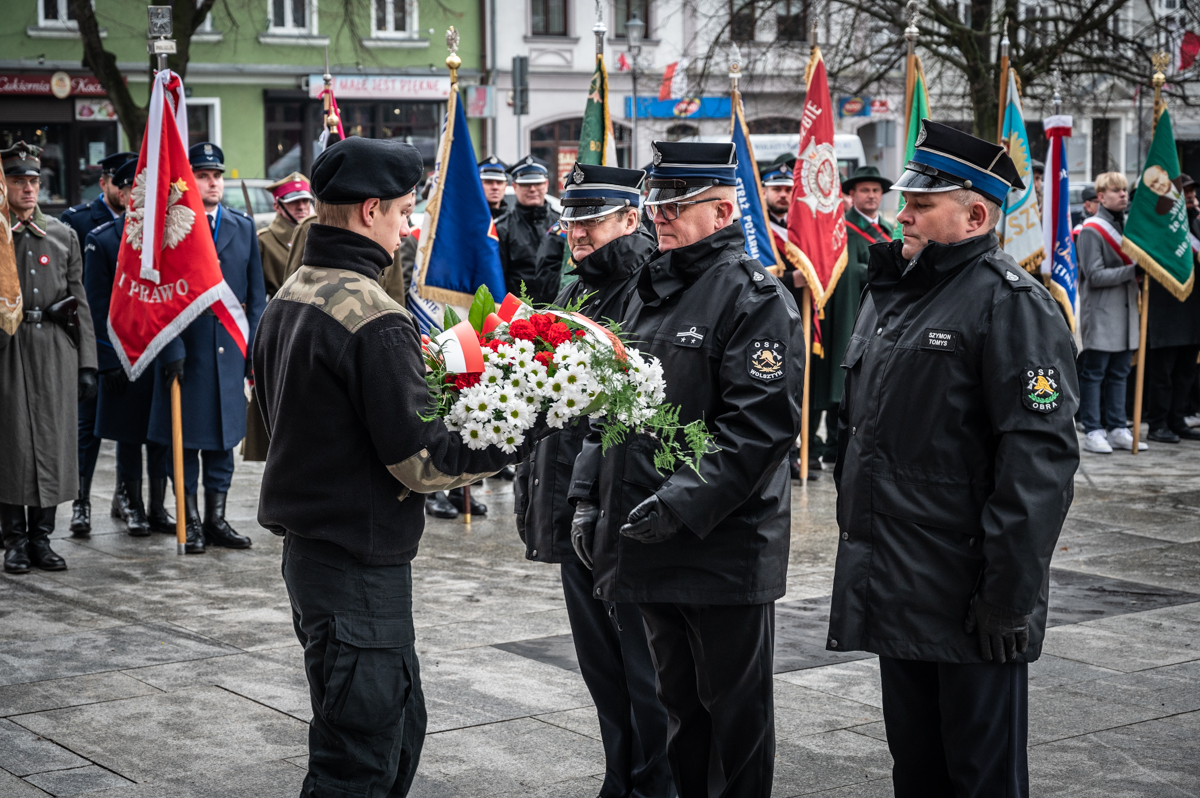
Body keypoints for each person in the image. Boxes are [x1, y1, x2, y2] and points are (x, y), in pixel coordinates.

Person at [254, 136, 535, 797]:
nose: (409, 228)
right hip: (357, 564)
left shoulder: (295, 290)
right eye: (406, 212)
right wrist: (517, 435)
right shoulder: (372, 315)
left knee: (395, 725)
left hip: (317, 553)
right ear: (371, 210)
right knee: (359, 760)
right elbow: (422, 462)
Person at [828, 120, 1080, 798]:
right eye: (905, 198)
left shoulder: (1011, 305)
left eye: (920, 202)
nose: (901, 211)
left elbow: (1039, 465)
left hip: (971, 599)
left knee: (981, 779)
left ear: (974, 214)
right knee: (917, 773)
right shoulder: (896, 296)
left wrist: (1008, 596)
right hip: (899, 585)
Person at [569, 141, 804, 797]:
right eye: (656, 202)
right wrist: (590, 496)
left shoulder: (753, 297)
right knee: (679, 721)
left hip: (721, 545)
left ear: (724, 209)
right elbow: (610, 405)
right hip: (651, 540)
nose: (660, 215)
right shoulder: (650, 291)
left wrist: (679, 502)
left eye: (676, 203)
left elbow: (757, 429)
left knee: (735, 724)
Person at [514, 163, 672, 798]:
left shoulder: (646, 289)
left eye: (591, 221)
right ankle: (620, 777)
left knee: (644, 670)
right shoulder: (576, 286)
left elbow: (634, 414)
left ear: (630, 219)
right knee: (602, 668)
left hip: (617, 508)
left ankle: (651, 783)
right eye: (572, 222)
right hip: (570, 507)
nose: (577, 234)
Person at [147, 142, 266, 553]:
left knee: (223, 442)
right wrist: (171, 349)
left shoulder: (243, 226)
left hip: (230, 351)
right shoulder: (172, 228)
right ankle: (191, 520)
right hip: (187, 352)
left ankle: (217, 519)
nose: (213, 182)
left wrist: (253, 350)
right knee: (186, 443)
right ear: (188, 181)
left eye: (217, 175)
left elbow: (256, 294)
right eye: (203, 175)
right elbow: (160, 296)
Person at [0, 141, 97, 573]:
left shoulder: (61, 234)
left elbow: (80, 301)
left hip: (56, 349)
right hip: (10, 348)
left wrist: (87, 363)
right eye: (18, 181)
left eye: (33, 181)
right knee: (12, 444)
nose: (28, 189)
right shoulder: (1, 235)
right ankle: (14, 541)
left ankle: (42, 538)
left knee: (55, 444)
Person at [81, 159, 174, 538]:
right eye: (140, 191)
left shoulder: (170, 240)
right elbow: (95, 306)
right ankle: (132, 506)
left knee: (160, 437)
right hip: (121, 355)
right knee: (129, 436)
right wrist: (107, 360)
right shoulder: (103, 239)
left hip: (160, 352)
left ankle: (157, 507)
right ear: (125, 194)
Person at [61, 150, 138, 536]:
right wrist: (101, 356)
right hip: (92, 343)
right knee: (88, 428)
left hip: (132, 346)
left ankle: (126, 498)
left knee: (128, 428)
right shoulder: (78, 221)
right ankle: (80, 501)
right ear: (109, 185)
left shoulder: (145, 229)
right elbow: (81, 295)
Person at [808, 165, 894, 472]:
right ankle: (822, 445)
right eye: (865, 190)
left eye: (875, 190)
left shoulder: (888, 228)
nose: (871, 195)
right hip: (845, 311)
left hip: (882, 314)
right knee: (836, 376)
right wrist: (876, 270)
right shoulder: (842, 229)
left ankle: (837, 444)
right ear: (852, 195)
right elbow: (841, 270)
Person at [243, 172, 315, 463]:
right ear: (278, 206)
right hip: (277, 324)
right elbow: (255, 294)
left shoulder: (316, 234)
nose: (301, 208)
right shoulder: (264, 240)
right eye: (294, 202)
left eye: (305, 202)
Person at [1076, 171, 1143, 453]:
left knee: (1119, 373)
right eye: (1117, 191)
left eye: (1125, 190)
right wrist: (1133, 271)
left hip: (1127, 313)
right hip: (1102, 312)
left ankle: (1117, 427)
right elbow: (1094, 275)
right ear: (1101, 197)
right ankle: (1093, 429)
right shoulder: (1091, 229)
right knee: (1095, 373)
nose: (1124, 195)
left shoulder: (1129, 227)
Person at [1143, 173, 1200, 443]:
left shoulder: (1197, 224)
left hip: (1192, 311)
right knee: (1162, 374)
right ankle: (1157, 424)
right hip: (1166, 311)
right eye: (1184, 191)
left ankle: (1177, 421)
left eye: (1192, 192)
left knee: (1186, 371)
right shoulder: (1160, 227)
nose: (1190, 195)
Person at [496, 155, 561, 304]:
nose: (532, 189)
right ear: (514, 186)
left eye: (537, 184)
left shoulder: (562, 225)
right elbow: (499, 279)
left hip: (559, 310)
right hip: (518, 313)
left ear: (546, 184)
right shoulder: (502, 228)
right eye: (526, 185)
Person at [478, 155, 511, 219]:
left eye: (499, 183)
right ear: (479, 186)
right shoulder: (468, 221)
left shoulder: (512, 222)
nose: (495, 187)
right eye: (489, 182)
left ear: (505, 187)